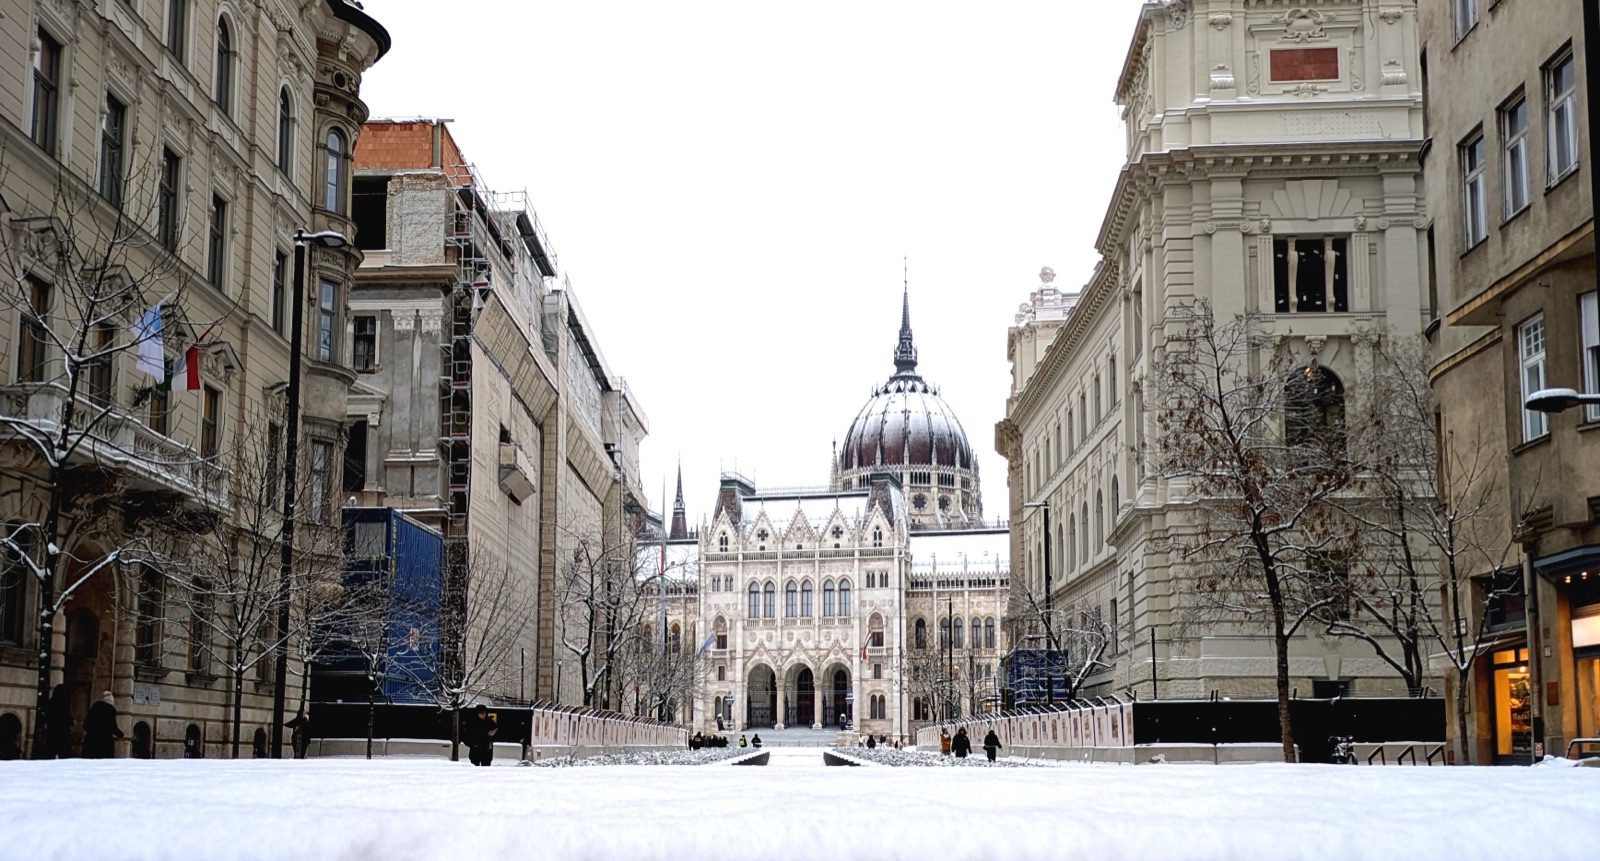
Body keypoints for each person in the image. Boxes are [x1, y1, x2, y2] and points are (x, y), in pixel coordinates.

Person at [81, 691, 123, 759]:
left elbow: (85, 725)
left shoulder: (94, 708)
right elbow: (112, 727)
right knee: (102, 766)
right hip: (105, 743)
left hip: (90, 741)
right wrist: (120, 734)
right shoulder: (110, 710)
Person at [45, 684, 73, 759]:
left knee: (50, 755)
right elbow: (68, 719)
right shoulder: (63, 704)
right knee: (64, 756)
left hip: (51, 732)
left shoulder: (50, 703)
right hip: (62, 733)